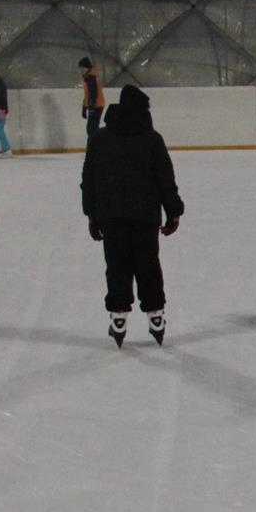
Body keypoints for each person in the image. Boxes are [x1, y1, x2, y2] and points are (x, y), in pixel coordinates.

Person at [81, 85, 184, 347]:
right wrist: (173, 212)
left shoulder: (100, 139)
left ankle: (118, 316)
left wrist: (92, 215)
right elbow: (165, 180)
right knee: (148, 264)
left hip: (111, 216)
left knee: (117, 265)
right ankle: (155, 316)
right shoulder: (152, 139)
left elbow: (88, 180)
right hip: (145, 216)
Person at [79, 56, 105, 139]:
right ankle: (96, 146)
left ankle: (95, 147)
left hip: (96, 105)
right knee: (92, 128)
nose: (81, 70)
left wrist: (91, 106)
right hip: (96, 105)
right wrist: (84, 107)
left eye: (82, 68)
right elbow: (87, 94)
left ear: (87, 67)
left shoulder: (91, 77)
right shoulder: (89, 76)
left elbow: (93, 93)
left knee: (91, 129)